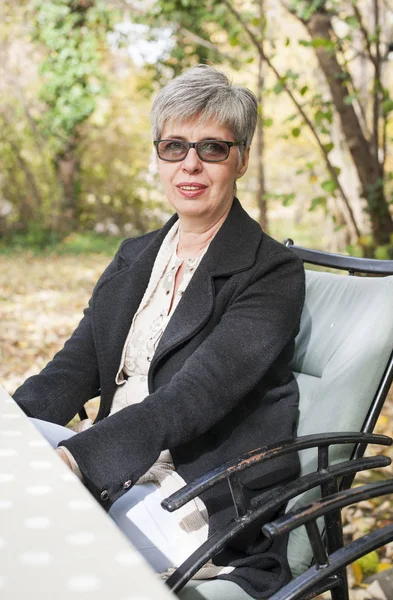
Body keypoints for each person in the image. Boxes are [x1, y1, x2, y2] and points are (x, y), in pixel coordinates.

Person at [13, 65, 305, 599]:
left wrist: (76, 461)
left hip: (195, 492)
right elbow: (73, 368)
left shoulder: (270, 272)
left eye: (212, 148)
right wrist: (14, 429)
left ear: (241, 158)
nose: (190, 164)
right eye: (174, 146)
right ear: (157, 156)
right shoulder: (137, 255)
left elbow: (190, 399)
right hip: (115, 462)